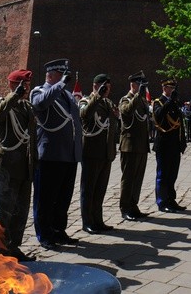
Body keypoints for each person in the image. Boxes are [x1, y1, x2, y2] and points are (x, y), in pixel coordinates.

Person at [30, 59, 82, 248]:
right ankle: (44, 234)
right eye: (61, 75)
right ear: (51, 75)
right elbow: (40, 104)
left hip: (68, 154)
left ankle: (59, 230)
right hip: (50, 154)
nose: (65, 78)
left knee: (63, 197)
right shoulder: (39, 91)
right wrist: (60, 85)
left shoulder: (67, 95)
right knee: (45, 198)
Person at [0, 69, 38, 262]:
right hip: (7, 167)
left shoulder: (26, 107)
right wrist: (13, 96)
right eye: (22, 85)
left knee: (21, 212)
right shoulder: (1, 103)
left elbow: (31, 137)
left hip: (24, 166)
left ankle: (14, 247)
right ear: (12, 85)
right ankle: (1, 252)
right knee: (4, 213)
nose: (26, 89)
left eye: (27, 85)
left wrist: (35, 163)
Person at [79, 74, 118, 234]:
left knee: (100, 189)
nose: (107, 90)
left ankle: (98, 219)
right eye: (104, 87)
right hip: (91, 152)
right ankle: (87, 221)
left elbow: (113, 124)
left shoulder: (108, 103)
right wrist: (97, 96)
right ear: (95, 85)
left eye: (108, 88)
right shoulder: (86, 101)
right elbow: (85, 115)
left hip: (106, 152)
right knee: (88, 189)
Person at [118, 71, 151, 221]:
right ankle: (125, 207)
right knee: (128, 178)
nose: (143, 88)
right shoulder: (125, 99)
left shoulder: (143, 101)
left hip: (141, 146)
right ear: (133, 84)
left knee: (138, 178)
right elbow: (126, 111)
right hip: (129, 146)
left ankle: (133, 204)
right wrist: (138, 97)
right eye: (140, 85)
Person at [152, 79, 187, 213]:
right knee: (163, 174)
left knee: (172, 174)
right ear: (164, 88)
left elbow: (180, 124)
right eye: (170, 87)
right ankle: (162, 202)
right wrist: (169, 102)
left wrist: (182, 141)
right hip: (163, 144)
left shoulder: (175, 102)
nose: (172, 90)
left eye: (174, 88)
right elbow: (158, 117)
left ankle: (171, 200)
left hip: (174, 144)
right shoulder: (158, 102)